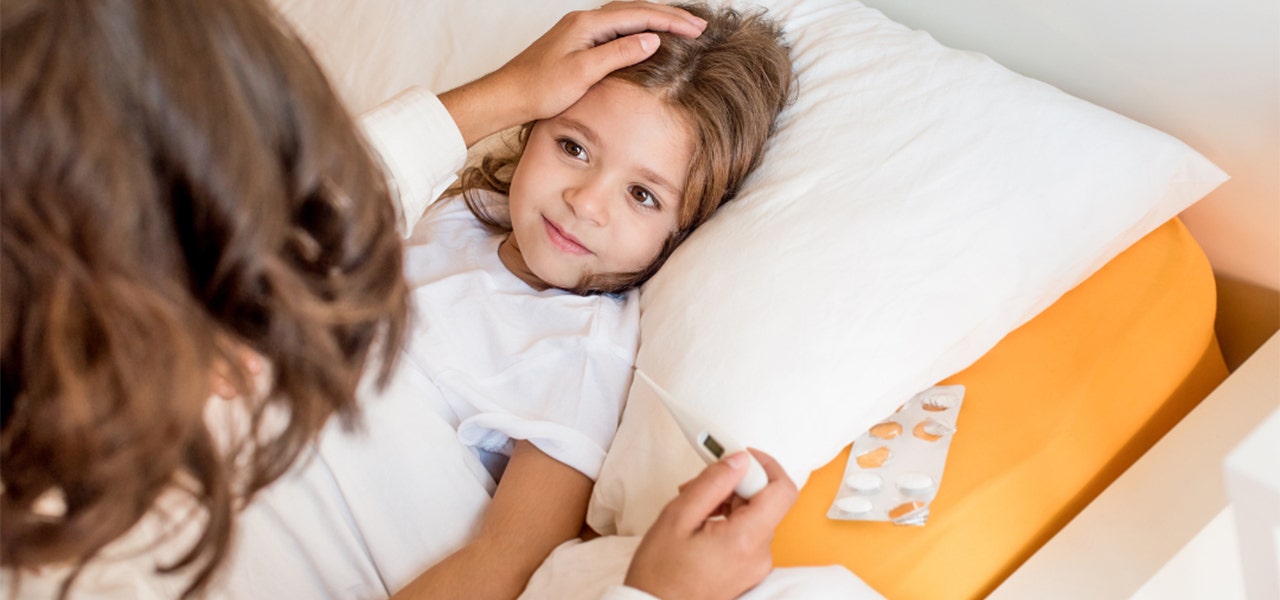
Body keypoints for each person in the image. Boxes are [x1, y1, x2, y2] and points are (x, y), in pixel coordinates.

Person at [0, 0, 823, 598]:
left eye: (644, 196)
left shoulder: (586, 349)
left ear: (684, 231)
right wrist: (507, 90)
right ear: (533, 131)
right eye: (573, 146)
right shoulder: (445, 216)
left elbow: (498, 568)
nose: (587, 201)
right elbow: (302, 213)